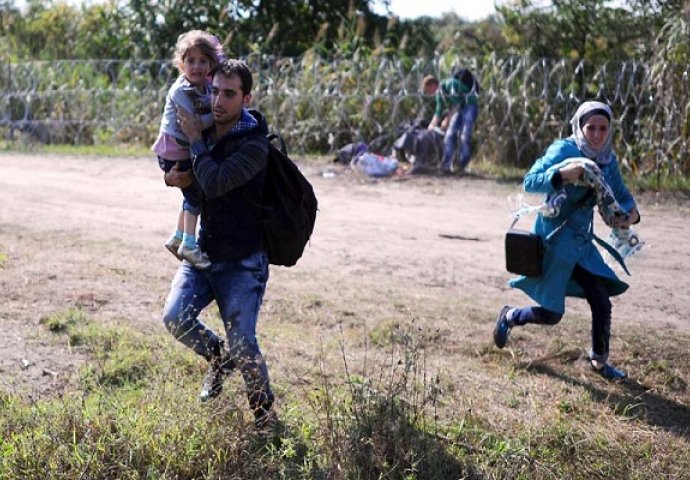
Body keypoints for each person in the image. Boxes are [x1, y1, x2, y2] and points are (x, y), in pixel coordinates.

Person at [162, 58, 277, 429]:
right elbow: (195, 185)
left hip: (243, 261)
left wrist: (195, 141)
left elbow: (215, 182)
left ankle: (263, 417)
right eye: (214, 91)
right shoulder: (208, 132)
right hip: (205, 252)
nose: (218, 100)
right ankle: (217, 359)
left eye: (229, 93)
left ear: (246, 97)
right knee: (175, 318)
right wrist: (175, 176)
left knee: (243, 341)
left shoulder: (255, 146)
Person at [493, 101, 641, 380]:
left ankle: (599, 362)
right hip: (554, 242)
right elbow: (530, 180)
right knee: (551, 314)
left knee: (601, 300)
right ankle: (511, 315)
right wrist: (563, 174)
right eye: (590, 128)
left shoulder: (608, 161)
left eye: (602, 128)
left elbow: (622, 195)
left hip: (582, 245)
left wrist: (632, 215)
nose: (596, 134)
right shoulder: (564, 150)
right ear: (579, 127)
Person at [152, 30, 224, 270]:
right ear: (181, 64)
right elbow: (192, 124)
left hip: (184, 149)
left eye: (203, 60)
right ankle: (189, 245)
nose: (197, 66)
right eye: (190, 61)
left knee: (190, 195)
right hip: (174, 151)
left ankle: (178, 237)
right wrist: (218, 117)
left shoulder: (205, 85)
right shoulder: (180, 91)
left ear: (212, 63)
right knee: (195, 196)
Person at [426, 68, 479, 175]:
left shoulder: (451, 84)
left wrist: (447, 119)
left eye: (428, 89)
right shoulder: (439, 94)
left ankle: (462, 166)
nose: (428, 93)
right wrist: (430, 127)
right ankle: (446, 166)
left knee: (465, 135)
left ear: (433, 85)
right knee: (449, 135)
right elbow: (438, 111)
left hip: (470, 105)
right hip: (459, 109)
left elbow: (458, 103)